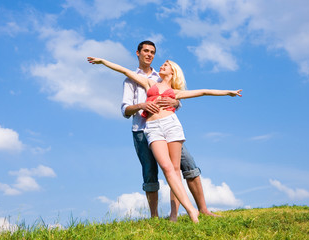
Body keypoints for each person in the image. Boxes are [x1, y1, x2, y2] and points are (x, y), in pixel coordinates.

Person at [87, 52, 242, 223]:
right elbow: (124, 71)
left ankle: (184, 214)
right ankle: (191, 209)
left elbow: (204, 91)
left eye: (166, 65)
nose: (161, 65)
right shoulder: (149, 82)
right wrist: (103, 61)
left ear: (173, 72)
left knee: (175, 170)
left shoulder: (175, 92)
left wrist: (229, 92)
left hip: (171, 125)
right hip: (152, 128)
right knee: (167, 169)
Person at [118, 41, 222, 222]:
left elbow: (174, 97)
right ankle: (154, 217)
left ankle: (200, 210)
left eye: (152, 52)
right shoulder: (131, 79)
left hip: (168, 127)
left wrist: (176, 103)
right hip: (142, 130)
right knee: (150, 173)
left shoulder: (161, 76)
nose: (149, 55)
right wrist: (142, 105)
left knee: (188, 166)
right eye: (146, 51)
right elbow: (125, 110)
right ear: (138, 53)